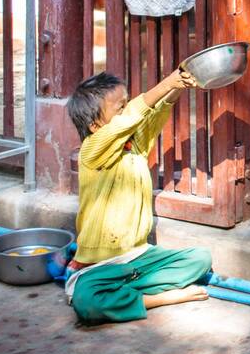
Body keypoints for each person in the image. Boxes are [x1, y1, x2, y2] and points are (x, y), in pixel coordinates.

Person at [63, 69, 213, 324]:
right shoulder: (91, 151)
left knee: (200, 259)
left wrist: (178, 85)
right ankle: (159, 298)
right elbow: (132, 117)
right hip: (100, 266)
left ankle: (123, 296)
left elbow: (152, 118)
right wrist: (169, 81)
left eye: (126, 104)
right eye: (119, 108)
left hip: (139, 258)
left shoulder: (133, 147)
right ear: (95, 125)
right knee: (86, 302)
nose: (127, 112)